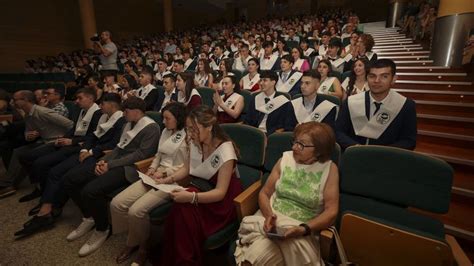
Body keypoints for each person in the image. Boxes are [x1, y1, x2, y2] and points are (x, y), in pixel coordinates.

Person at [14, 93, 125, 238]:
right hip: (88, 150)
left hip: (101, 155)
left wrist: (90, 151)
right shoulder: (103, 116)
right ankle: (48, 208)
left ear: (111, 104)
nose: (100, 106)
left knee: (67, 177)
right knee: (56, 172)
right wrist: (85, 149)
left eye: (103, 103)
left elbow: (113, 144)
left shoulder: (120, 120)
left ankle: (52, 210)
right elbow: (93, 136)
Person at [62, 96, 160, 257]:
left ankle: (102, 229)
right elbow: (118, 147)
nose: (124, 115)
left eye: (126, 111)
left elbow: (141, 155)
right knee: (70, 180)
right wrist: (103, 161)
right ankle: (89, 217)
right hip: (113, 163)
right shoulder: (129, 123)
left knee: (90, 191)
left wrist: (110, 165)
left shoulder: (151, 128)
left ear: (136, 112)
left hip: (130, 169)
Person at [234, 122, 339, 266]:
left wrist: (303, 228)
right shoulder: (285, 159)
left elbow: (331, 211)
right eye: (295, 141)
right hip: (272, 223)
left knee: (257, 259)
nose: (294, 147)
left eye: (301, 144)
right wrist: (268, 215)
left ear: (319, 150)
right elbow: (264, 193)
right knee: (262, 256)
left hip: (302, 230)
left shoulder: (329, 169)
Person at [158, 105, 243, 265]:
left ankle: (184, 260)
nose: (190, 134)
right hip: (201, 188)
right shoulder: (195, 141)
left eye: (194, 129)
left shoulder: (225, 150)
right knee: (179, 210)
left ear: (209, 127)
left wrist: (191, 197)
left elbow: (220, 192)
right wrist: (167, 180)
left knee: (183, 210)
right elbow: (187, 169)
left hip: (221, 202)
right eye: (189, 129)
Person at [110, 102, 187, 265]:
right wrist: (152, 168)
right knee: (116, 204)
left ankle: (142, 248)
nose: (164, 122)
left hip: (174, 179)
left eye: (167, 118)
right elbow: (159, 155)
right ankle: (134, 239)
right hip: (155, 174)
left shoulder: (189, 134)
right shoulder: (166, 131)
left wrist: (165, 173)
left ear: (178, 119)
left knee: (136, 211)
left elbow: (187, 166)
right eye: (163, 118)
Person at [18, 87, 102, 203]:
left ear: (90, 98)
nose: (76, 101)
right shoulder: (81, 111)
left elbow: (93, 136)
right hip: (70, 142)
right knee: (31, 157)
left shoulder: (98, 113)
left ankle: (47, 196)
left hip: (80, 146)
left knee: (42, 164)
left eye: (80, 98)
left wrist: (72, 141)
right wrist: (64, 137)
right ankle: (42, 189)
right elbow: (73, 128)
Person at [0, 91, 73, 199]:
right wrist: (28, 136)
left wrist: (66, 139)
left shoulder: (42, 112)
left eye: (16, 99)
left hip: (56, 141)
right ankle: (9, 183)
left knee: (27, 156)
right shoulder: (28, 114)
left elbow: (70, 124)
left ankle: (14, 184)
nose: (12, 102)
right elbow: (27, 132)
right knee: (18, 151)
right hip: (44, 140)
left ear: (25, 100)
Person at [336, 59, 417, 150]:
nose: (377, 81)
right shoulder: (351, 101)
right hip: (354, 156)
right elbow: (339, 132)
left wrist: (379, 153)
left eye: (384, 76)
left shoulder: (405, 105)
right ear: (367, 78)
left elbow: (409, 141)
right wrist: (356, 148)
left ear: (393, 79)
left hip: (388, 158)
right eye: (372, 76)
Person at [245, 70, 296, 135]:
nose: (261, 83)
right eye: (261, 80)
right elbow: (248, 120)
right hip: (255, 133)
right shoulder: (255, 98)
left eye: (265, 80)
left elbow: (289, 124)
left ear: (273, 82)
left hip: (273, 135)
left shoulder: (283, 101)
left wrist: (280, 131)